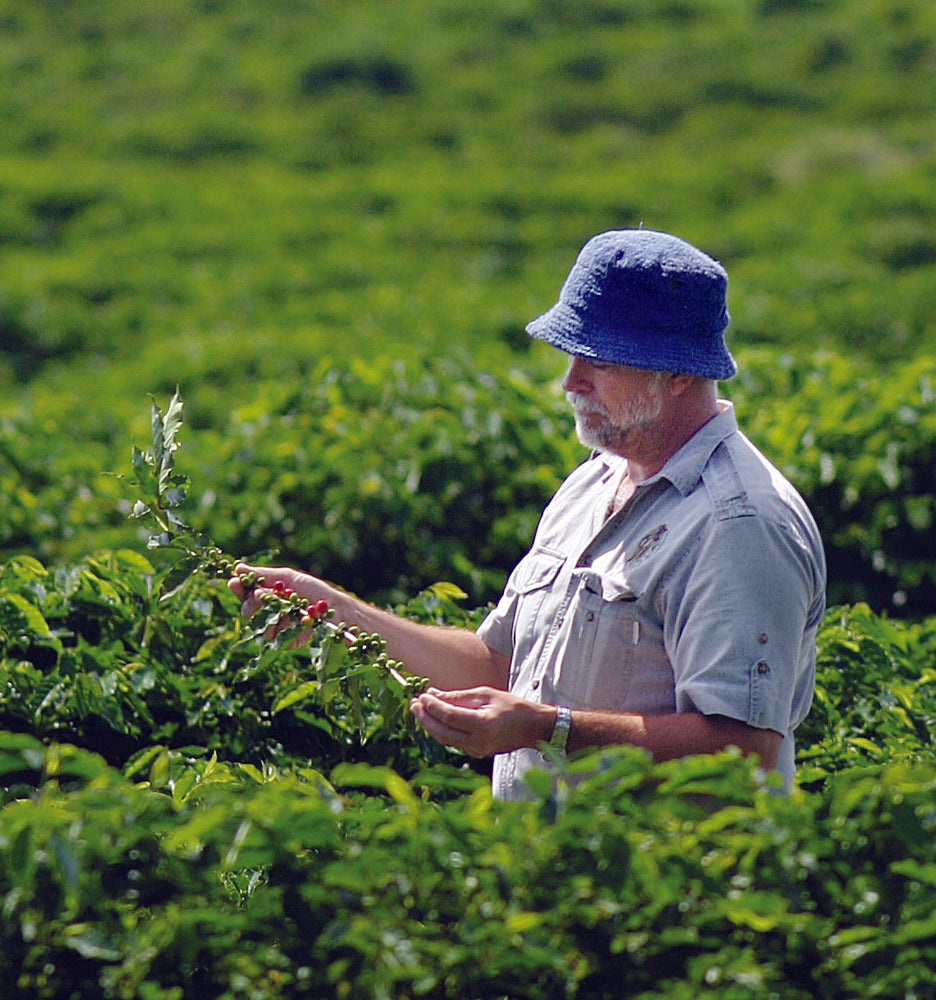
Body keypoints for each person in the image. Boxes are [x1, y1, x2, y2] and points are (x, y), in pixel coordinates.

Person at [230, 229, 827, 798]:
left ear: (675, 373)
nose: (571, 381)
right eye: (572, 355)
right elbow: (497, 666)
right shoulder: (592, 484)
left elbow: (743, 749)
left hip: (668, 894)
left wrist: (547, 728)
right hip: (548, 881)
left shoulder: (740, 527)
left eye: (599, 361)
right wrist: (335, 610)